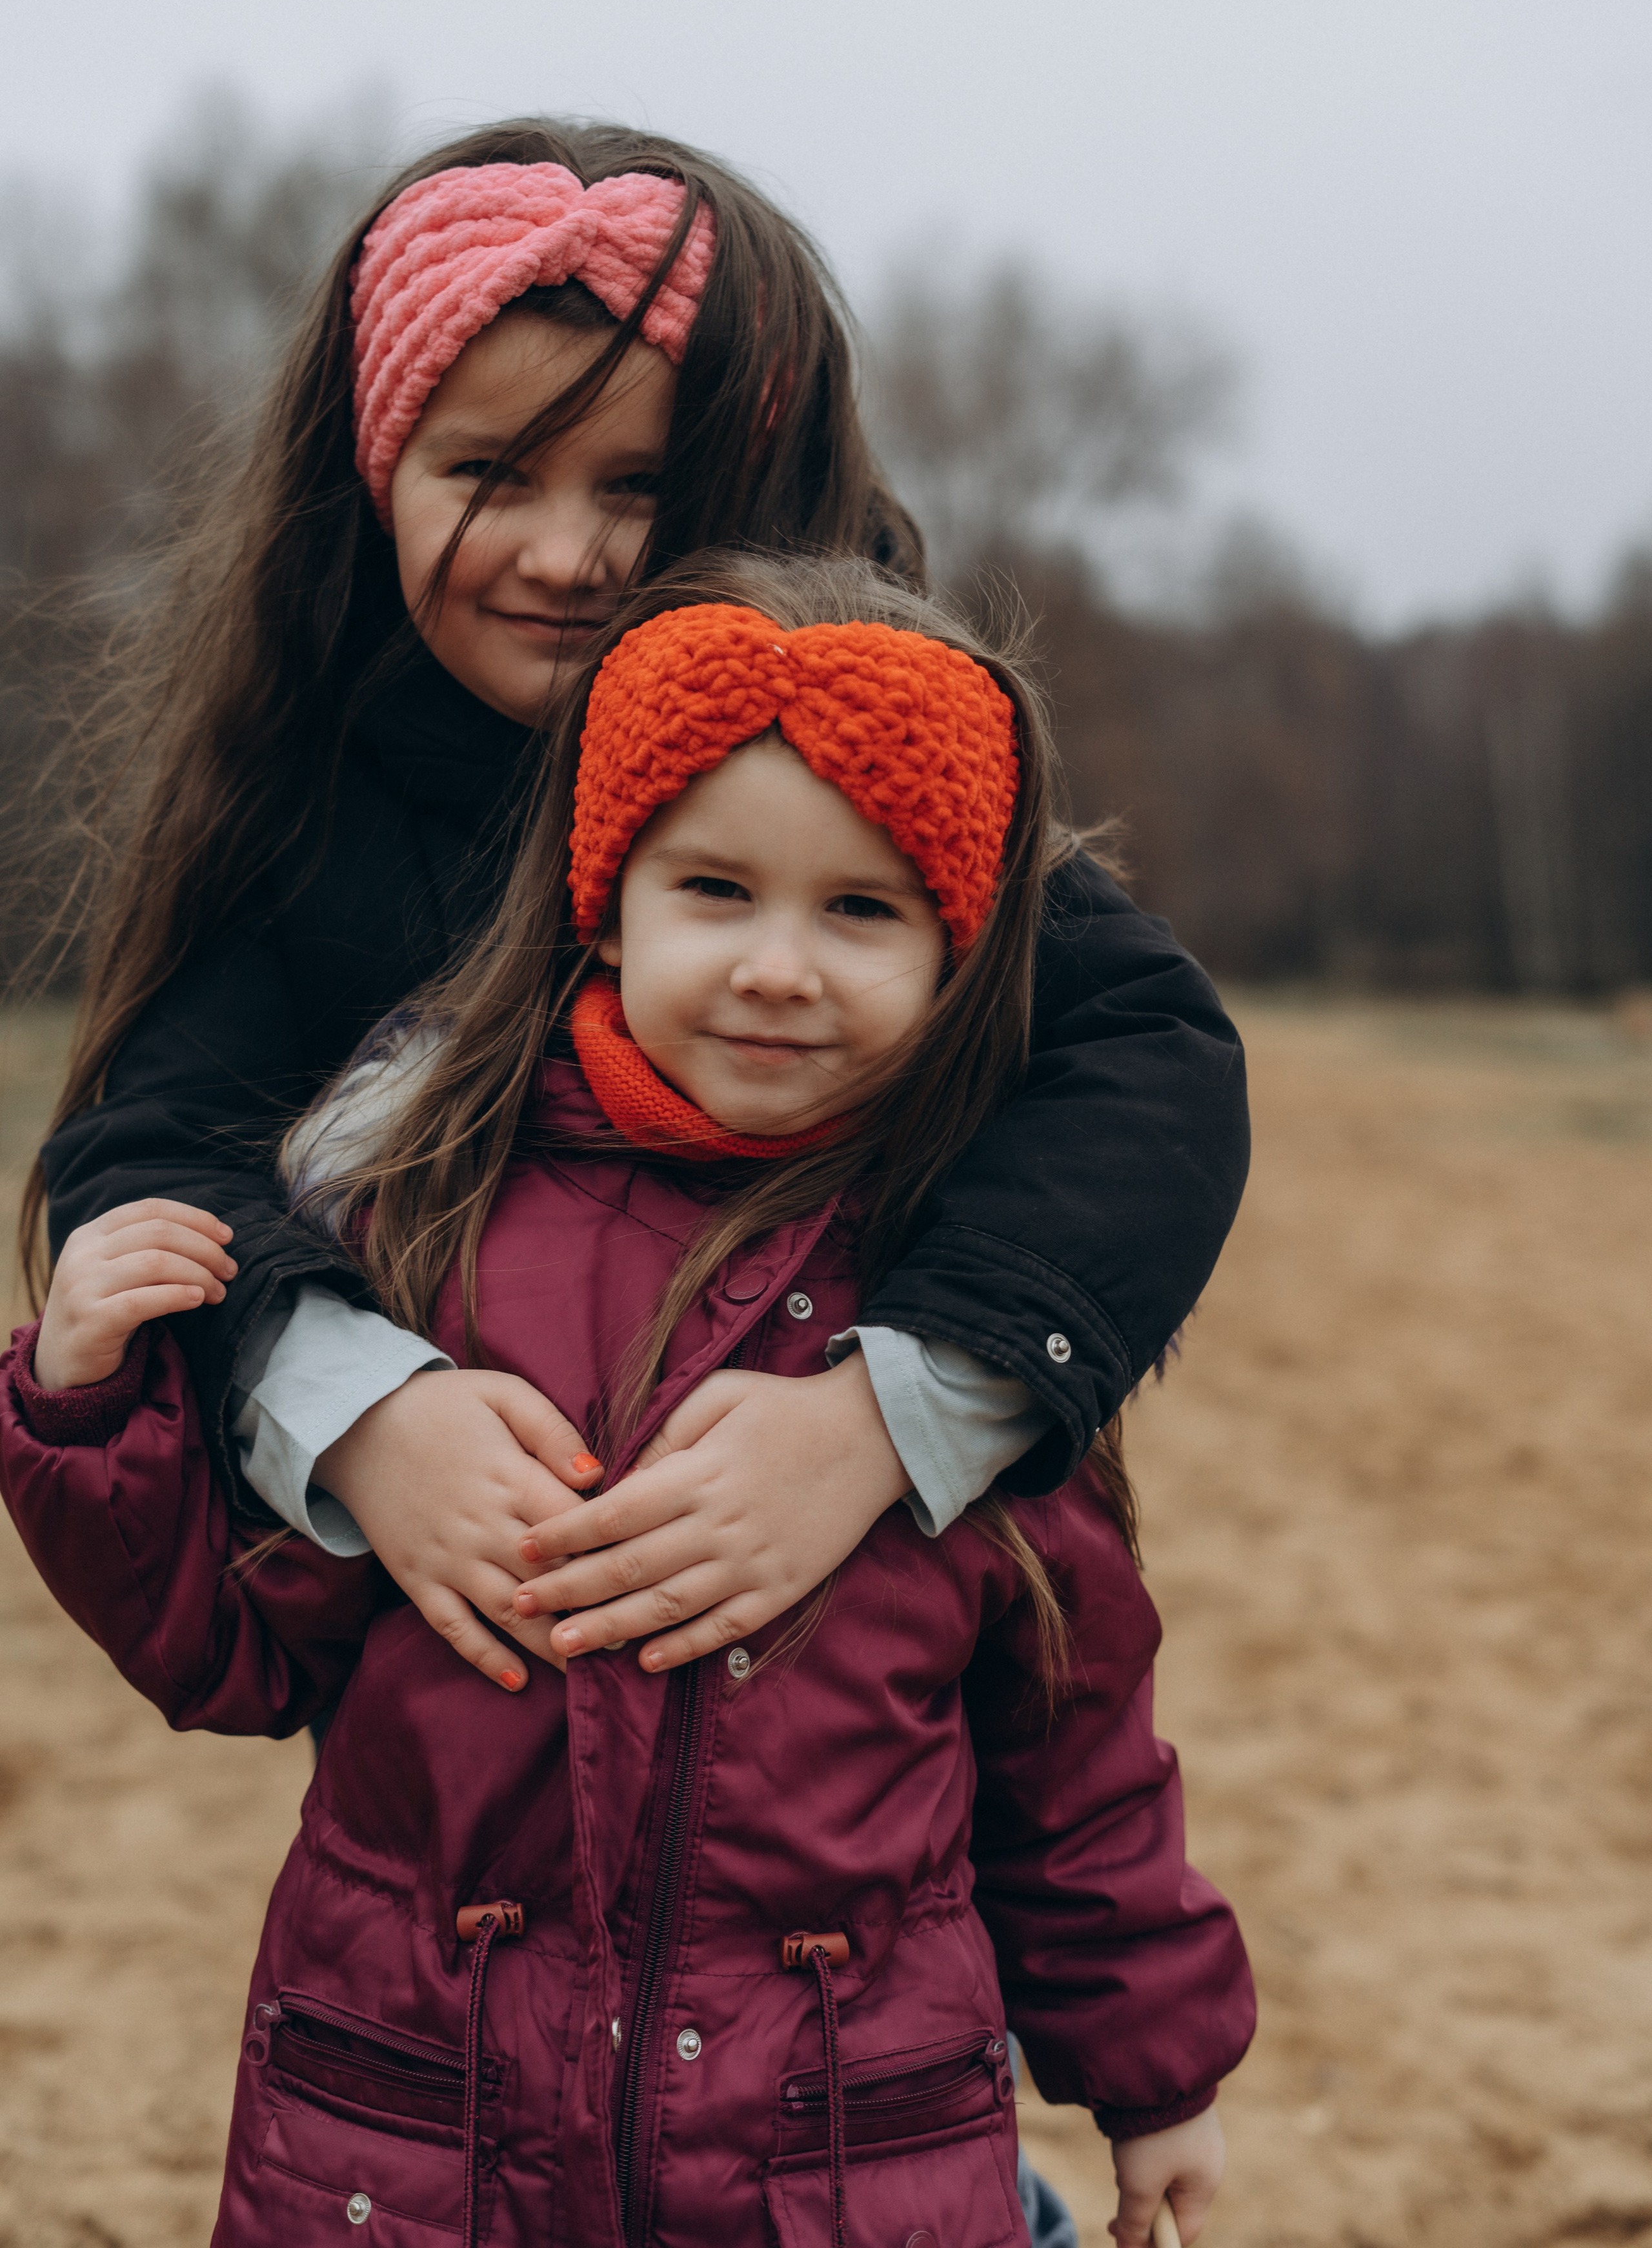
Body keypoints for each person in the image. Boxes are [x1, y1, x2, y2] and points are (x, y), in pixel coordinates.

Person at [3, 562, 1256, 2247]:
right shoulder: (416, 1233)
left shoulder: (973, 1302)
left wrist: (1155, 2074)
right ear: (604, 906)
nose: (778, 968)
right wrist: (90, 1410)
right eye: (715, 890)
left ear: (961, 955)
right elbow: (228, 1652)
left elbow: (1076, 1749)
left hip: (836, 2163)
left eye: (862, 910)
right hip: (412, 2143)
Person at [25, 124, 1251, 1715]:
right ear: (376, 479)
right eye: (487, 473)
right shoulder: (308, 805)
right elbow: (152, 1157)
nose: (562, 556)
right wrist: (364, 1413)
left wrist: (880, 1423)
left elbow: (1150, 1052)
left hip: (846, 1669)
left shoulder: (860, 759)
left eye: (641, 486)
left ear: (759, 489)